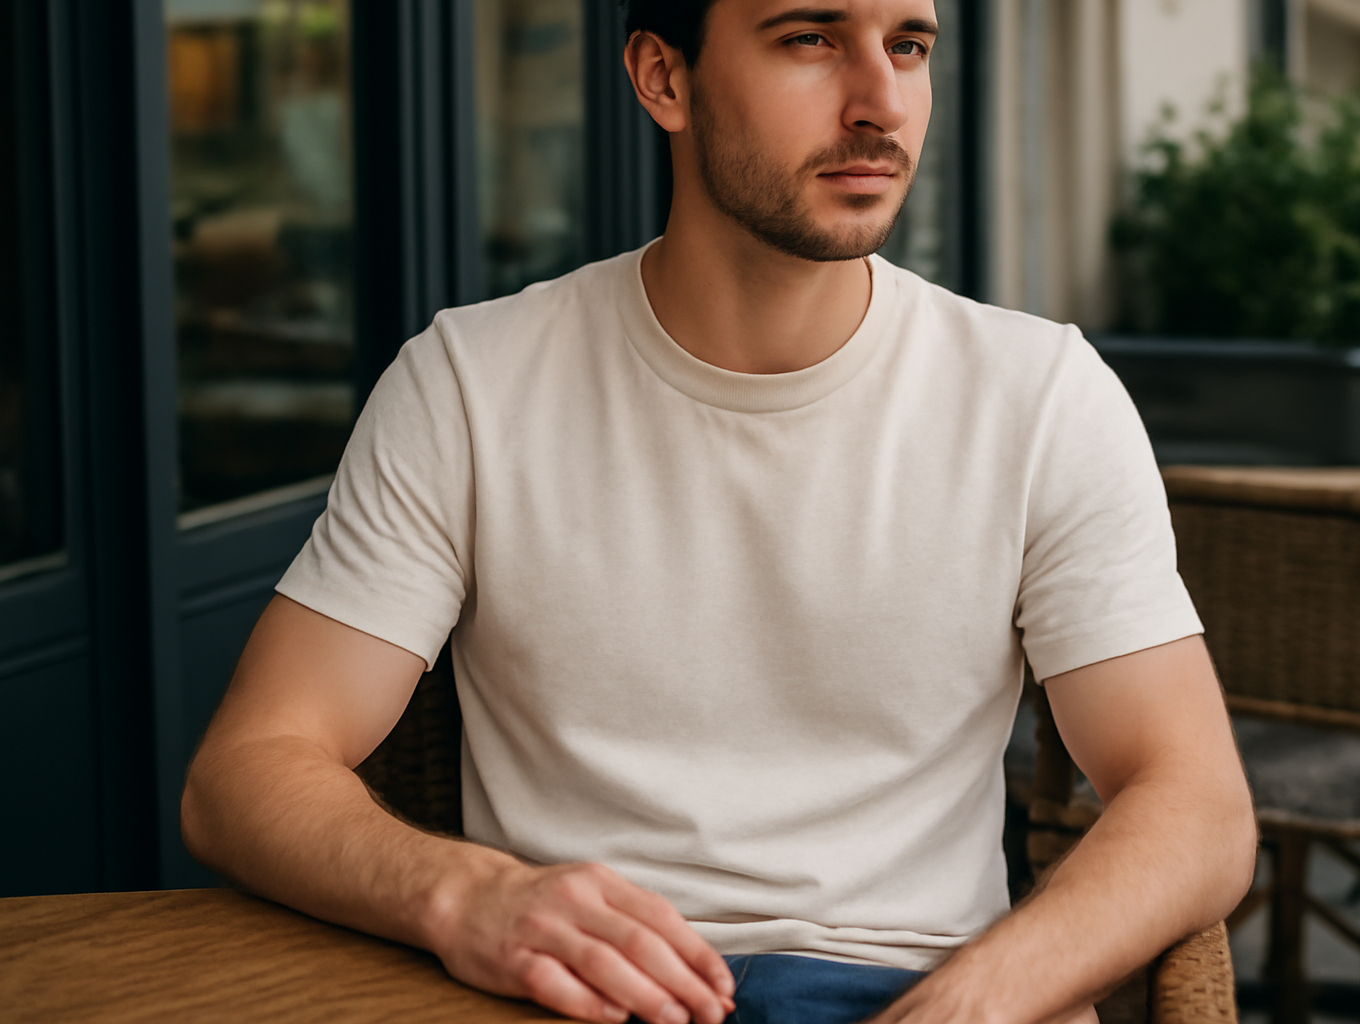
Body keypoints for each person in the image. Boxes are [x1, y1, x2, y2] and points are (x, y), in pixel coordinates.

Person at [180, 2, 1257, 1023]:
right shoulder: (471, 383)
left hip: (914, 986)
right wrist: (465, 897)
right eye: (810, 39)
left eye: (910, 45)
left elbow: (1195, 800)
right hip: (589, 994)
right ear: (663, 78)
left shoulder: (1037, 395)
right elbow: (245, 772)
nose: (880, 100)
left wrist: (991, 990)